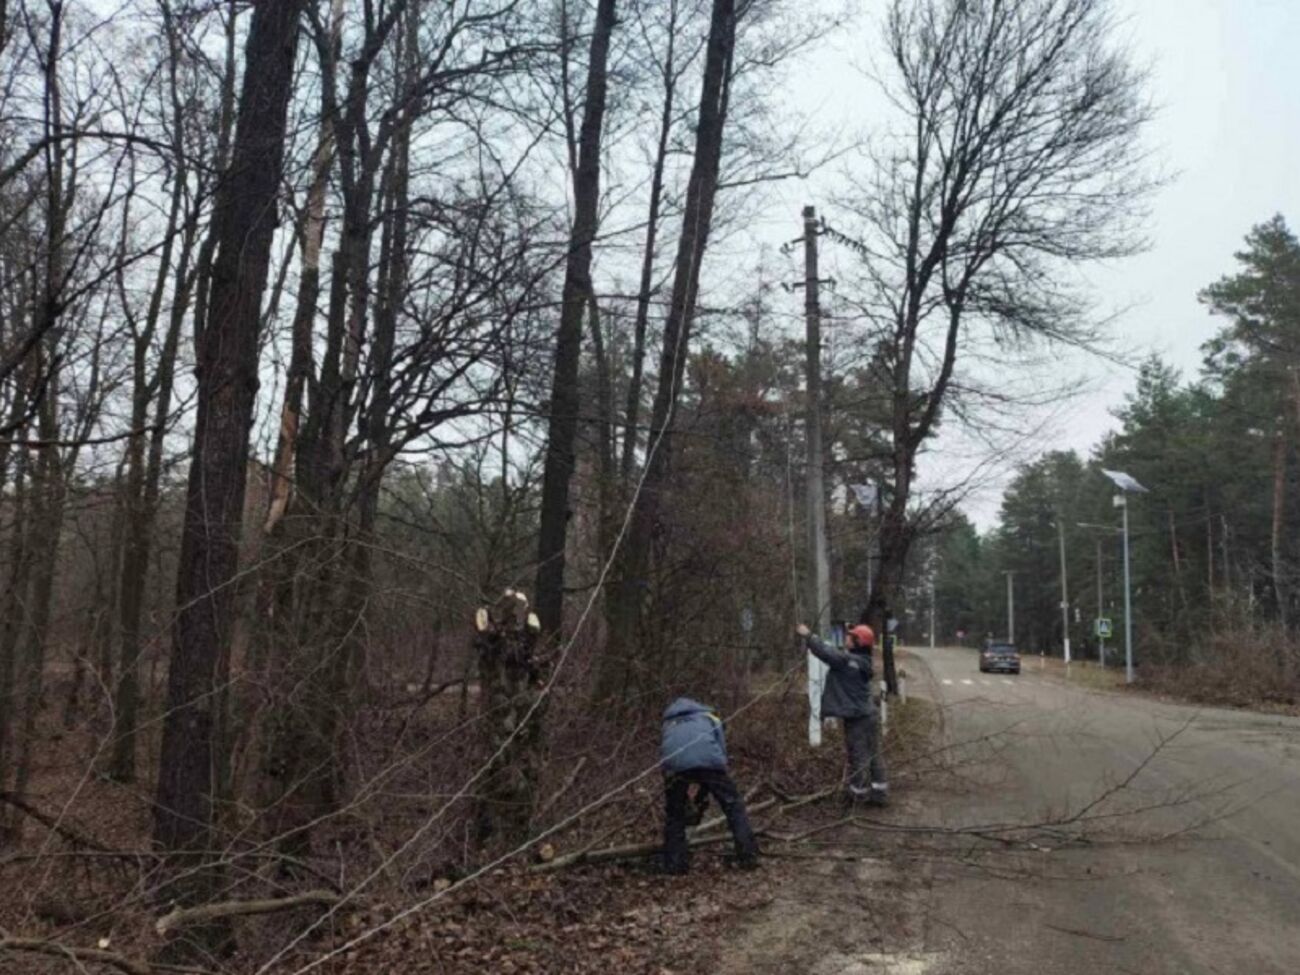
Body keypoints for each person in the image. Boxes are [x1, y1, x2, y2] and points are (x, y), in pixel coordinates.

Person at [659, 697, 758, 874]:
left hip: (675, 767)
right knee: (733, 806)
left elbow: (666, 752)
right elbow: (721, 750)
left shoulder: (668, 722)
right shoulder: (710, 718)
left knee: (674, 815)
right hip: (710, 762)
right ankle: (748, 857)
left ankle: (674, 865)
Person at [796, 622, 889, 806]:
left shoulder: (847, 661)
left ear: (857, 642)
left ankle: (857, 795)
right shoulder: (863, 661)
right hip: (869, 714)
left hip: (857, 718)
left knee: (858, 756)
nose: (846, 637)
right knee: (873, 754)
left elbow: (826, 652)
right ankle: (880, 793)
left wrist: (808, 635)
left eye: (850, 636)